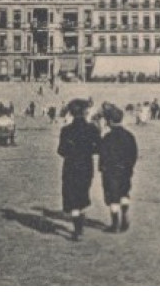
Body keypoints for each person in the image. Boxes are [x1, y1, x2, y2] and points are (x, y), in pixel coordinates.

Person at [57, 98, 100, 240]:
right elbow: (98, 148)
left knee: (72, 198)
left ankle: (77, 228)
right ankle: (79, 226)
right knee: (82, 195)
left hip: (70, 167)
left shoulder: (66, 130)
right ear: (85, 112)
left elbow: (61, 151)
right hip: (86, 166)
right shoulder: (92, 129)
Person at [97, 103, 138, 233]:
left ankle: (115, 224)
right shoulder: (129, 136)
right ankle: (125, 213)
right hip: (125, 170)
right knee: (124, 192)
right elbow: (134, 153)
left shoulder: (107, 138)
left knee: (113, 197)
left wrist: (102, 168)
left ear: (109, 121)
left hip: (111, 172)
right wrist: (130, 166)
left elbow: (102, 154)